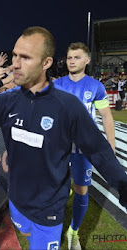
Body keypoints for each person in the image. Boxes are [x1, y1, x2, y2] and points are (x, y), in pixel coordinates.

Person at [0, 26, 127, 249]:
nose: (15, 63)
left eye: (25, 57)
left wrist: (123, 186)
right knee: (28, 236)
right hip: (17, 202)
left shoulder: (68, 106)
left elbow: (99, 151)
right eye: (14, 55)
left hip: (48, 210)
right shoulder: (5, 101)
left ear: (46, 63)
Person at [53, 42, 116, 249]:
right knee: (55, 190)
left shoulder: (95, 86)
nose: (72, 61)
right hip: (60, 149)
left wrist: (111, 147)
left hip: (83, 151)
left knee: (81, 190)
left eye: (77, 57)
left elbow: (106, 116)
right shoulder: (57, 84)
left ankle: (74, 232)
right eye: (69, 57)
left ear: (87, 60)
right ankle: (52, 226)